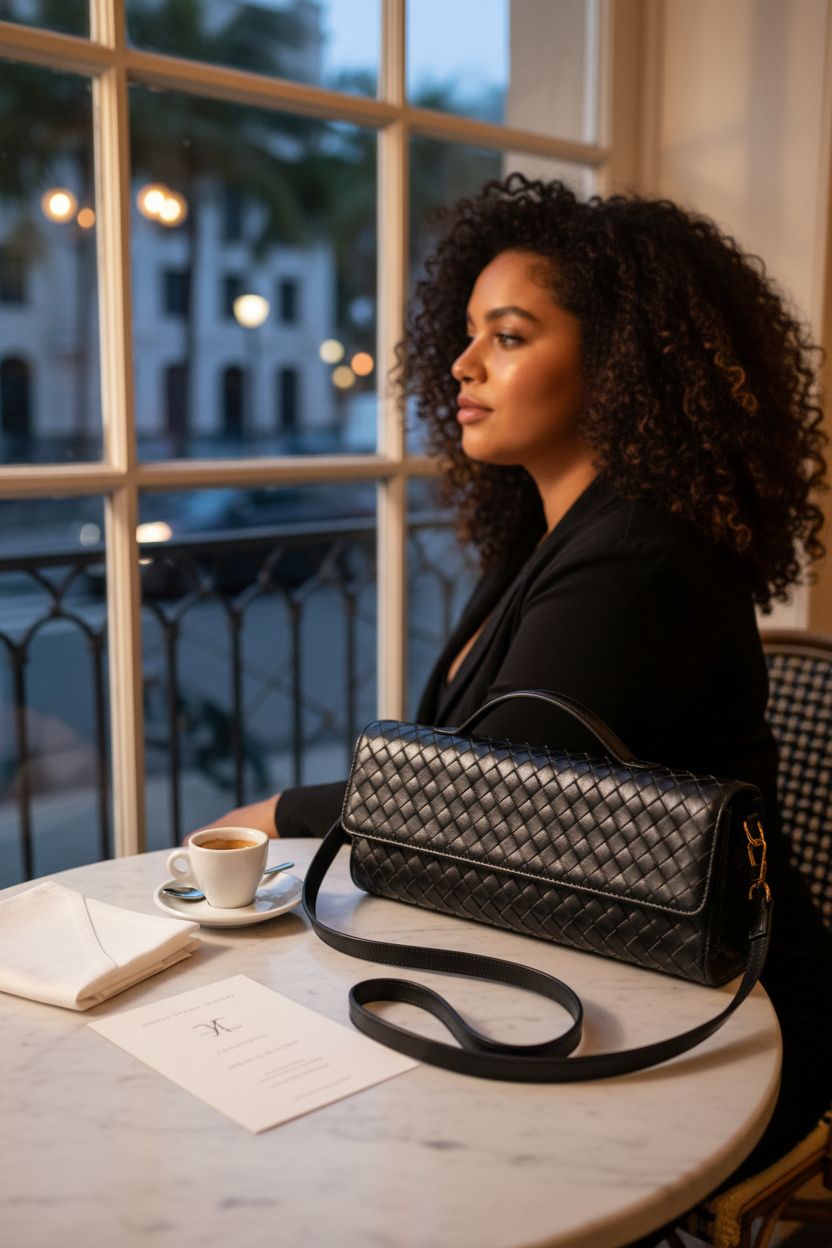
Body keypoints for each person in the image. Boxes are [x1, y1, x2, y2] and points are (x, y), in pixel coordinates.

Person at [207, 174, 831, 1174]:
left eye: (506, 336)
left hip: (725, 1028)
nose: (459, 365)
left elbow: (492, 792)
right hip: (574, 971)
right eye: (466, 333)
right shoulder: (545, 541)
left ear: (618, 362)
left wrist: (275, 809)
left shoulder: (638, 557)